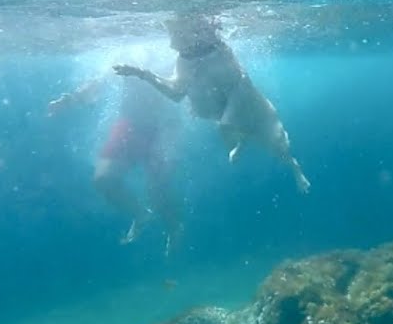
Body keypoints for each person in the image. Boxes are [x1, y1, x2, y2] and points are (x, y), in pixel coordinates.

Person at [113, 13, 310, 193]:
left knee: (278, 146)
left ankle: (296, 171)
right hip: (225, 113)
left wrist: (227, 122)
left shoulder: (221, 52)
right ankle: (241, 141)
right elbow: (176, 93)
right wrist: (141, 74)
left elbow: (241, 87)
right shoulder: (183, 60)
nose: (172, 44)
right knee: (231, 128)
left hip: (256, 112)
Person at [48, 63, 184, 254]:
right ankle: (141, 214)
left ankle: (174, 229)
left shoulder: (168, 54)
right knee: (103, 180)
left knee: (157, 188)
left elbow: (182, 87)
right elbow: (99, 82)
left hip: (164, 126)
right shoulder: (128, 52)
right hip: (129, 125)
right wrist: (70, 100)